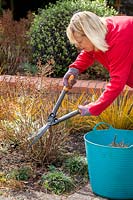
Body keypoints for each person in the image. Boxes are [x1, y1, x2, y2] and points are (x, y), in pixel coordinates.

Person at [63, 11, 133, 116]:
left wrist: (94, 107)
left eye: (80, 41)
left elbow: (117, 82)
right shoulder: (102, 31)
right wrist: (75, 68)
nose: (77, 45)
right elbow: (90, 51)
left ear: (90, 34)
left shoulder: (119, 38)